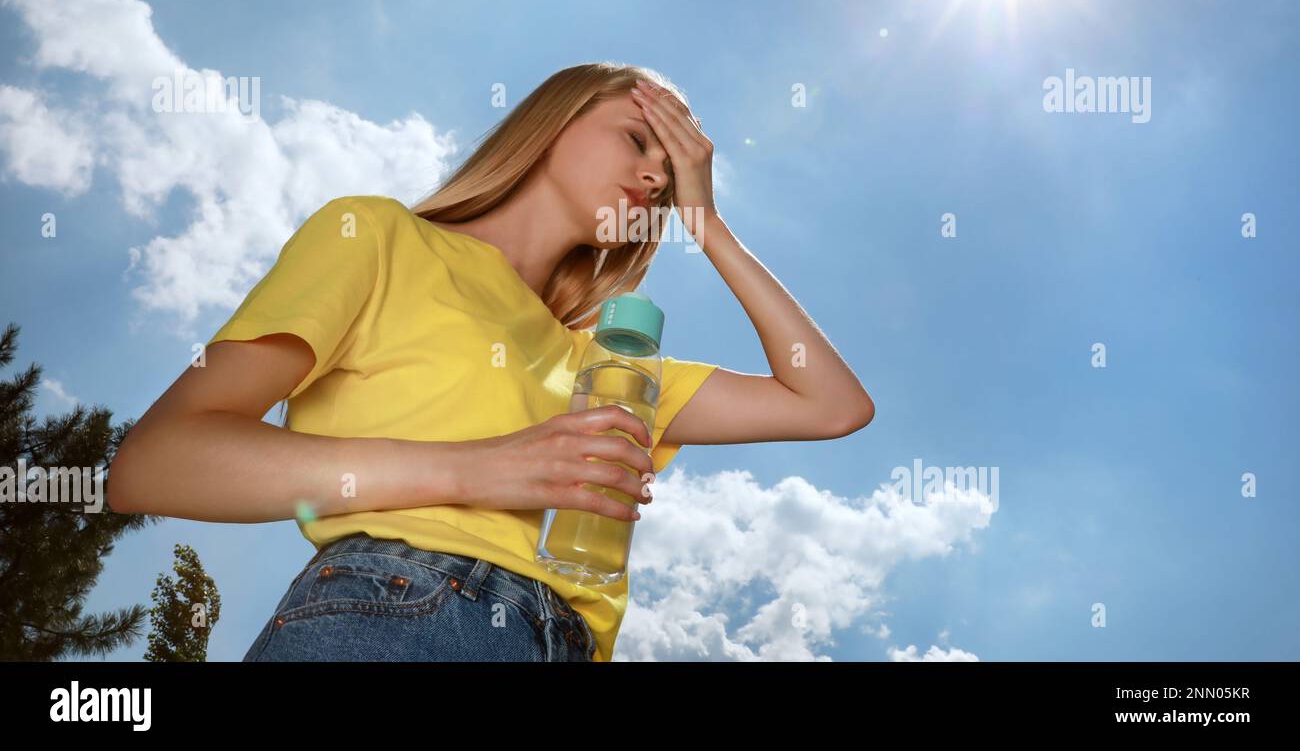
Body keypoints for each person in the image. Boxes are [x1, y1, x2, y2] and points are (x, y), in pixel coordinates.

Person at [107, 62, 876, 661]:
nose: (653, 177)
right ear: (550, 124)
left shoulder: (607, 368)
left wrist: (708, 226)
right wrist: (476, 469)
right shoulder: (379, 238)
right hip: (399, 614)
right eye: (638, 140)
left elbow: (831, 404)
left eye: (669, 180)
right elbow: (157, 462)